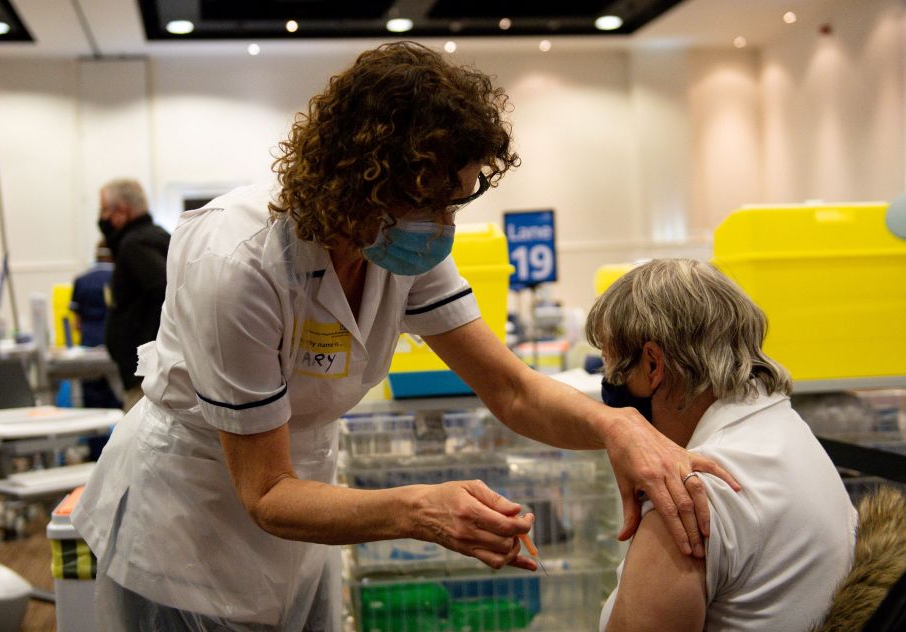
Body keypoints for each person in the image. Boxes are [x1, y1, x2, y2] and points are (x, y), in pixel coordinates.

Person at [73, 43, 736, 631]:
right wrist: (419, 510)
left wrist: (617, 426)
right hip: (189, 522)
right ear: (358, 179)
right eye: (431, 201)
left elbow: (510, 389)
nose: (443, 225)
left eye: (457, 201)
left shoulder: (394, 242)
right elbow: (265, 493)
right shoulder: (240, 260)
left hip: (301, 515)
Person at [589, 259, 857, 632]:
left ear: (653, 366)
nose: (608, 381)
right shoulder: (787, 432)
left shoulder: (691, 501)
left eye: (609, 362)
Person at [97, 178, 170, 412]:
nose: (102, 219)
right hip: (151, 373)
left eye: (104, 210)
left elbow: (164, 289)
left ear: (121, 211)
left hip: (146, 379)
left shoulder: (134, 245)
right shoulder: (157, 237)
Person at [69, 241, 122, 410]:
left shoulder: (81, 280)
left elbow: (76, 323)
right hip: (115, 343)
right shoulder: (120, 278)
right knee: (117, 397)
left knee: (92, 400)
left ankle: (95, 436)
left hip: (89, 343)